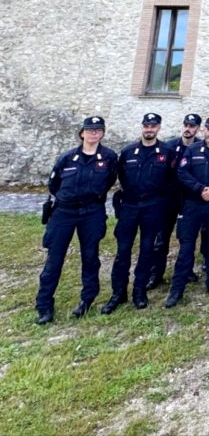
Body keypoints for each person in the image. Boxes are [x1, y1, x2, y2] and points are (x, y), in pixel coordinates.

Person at [35, 116, 118, 324]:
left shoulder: (108, 157)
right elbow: (53, 184)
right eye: (90, 130)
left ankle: (87, 299)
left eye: (98, 130)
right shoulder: (68, 157)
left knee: (90, 257)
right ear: (82, 133)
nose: (94, 133)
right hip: (64, 212)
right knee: (54, 260)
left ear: (102, 133)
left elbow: (109, 181)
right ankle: (44, 305)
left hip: (92, 212)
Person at [102, 113, 173, 315]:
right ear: (142, 127)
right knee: (122, 251)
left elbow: (170, 178)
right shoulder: (127, 152)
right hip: (130, 207)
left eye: (153, 126)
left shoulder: (166, 152)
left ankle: (139, 292)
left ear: (159, 128)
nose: (149, 129)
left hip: (152, 207)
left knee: (147, 249)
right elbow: (121, 177)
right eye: (146, 126)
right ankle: (118, 293)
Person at [164, 117, 209, 308]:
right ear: (204, 130)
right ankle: (177, 290)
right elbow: (182, 173)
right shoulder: (193, 149)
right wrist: (199, 189)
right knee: (186, 247)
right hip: (193, 203)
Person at [148, 113, 201, 289]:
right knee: (161, 237)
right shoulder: (169, 146)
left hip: (189, 199)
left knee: (187, 238)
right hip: (168, 199)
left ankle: (186, 270)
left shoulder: (201, 147)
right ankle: (156, 273)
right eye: (186, 125)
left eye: (192, 126)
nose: (188, 128)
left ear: (197, 129)